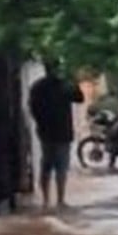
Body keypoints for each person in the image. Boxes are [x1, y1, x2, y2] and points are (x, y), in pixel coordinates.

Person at [28, 61, 85, 210]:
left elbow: (32, 108)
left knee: (47, 165)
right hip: (61, 132)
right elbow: (80, 98)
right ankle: (59, 200)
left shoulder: (38, 86)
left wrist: (40, 124)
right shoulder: (64, 85)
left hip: (48, 132)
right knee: (60, 167)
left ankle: (47, 201)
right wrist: (73, 81)